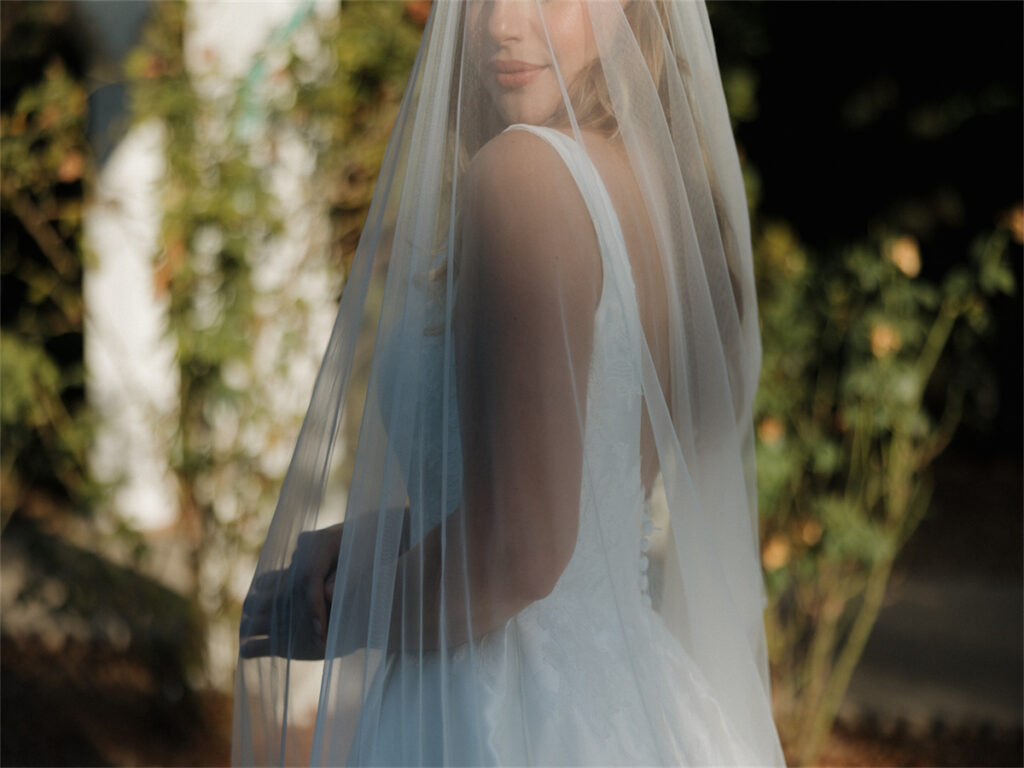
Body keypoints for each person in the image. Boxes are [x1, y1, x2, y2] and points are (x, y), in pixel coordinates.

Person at [234, 1, 785, 765]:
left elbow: (522, 555)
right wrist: (384, 540)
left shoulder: (525, 175)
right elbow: (587, 514)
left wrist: (336, 615)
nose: (501, 23)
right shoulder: (653, 190)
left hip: (500, 718)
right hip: (626, 703)